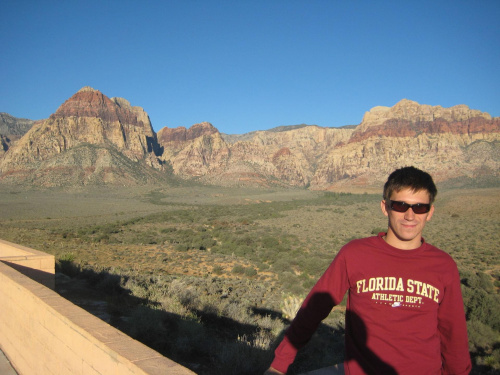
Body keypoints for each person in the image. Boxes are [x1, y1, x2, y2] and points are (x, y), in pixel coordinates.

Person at [265, 166, 471, 375]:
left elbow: (453, 334)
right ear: (385, 207)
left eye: (419, 207)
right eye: (400, 206)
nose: (410, 215)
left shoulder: (443, 266)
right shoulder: (355, 254)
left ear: (430, 212)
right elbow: (314, 308)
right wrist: (278, 365)